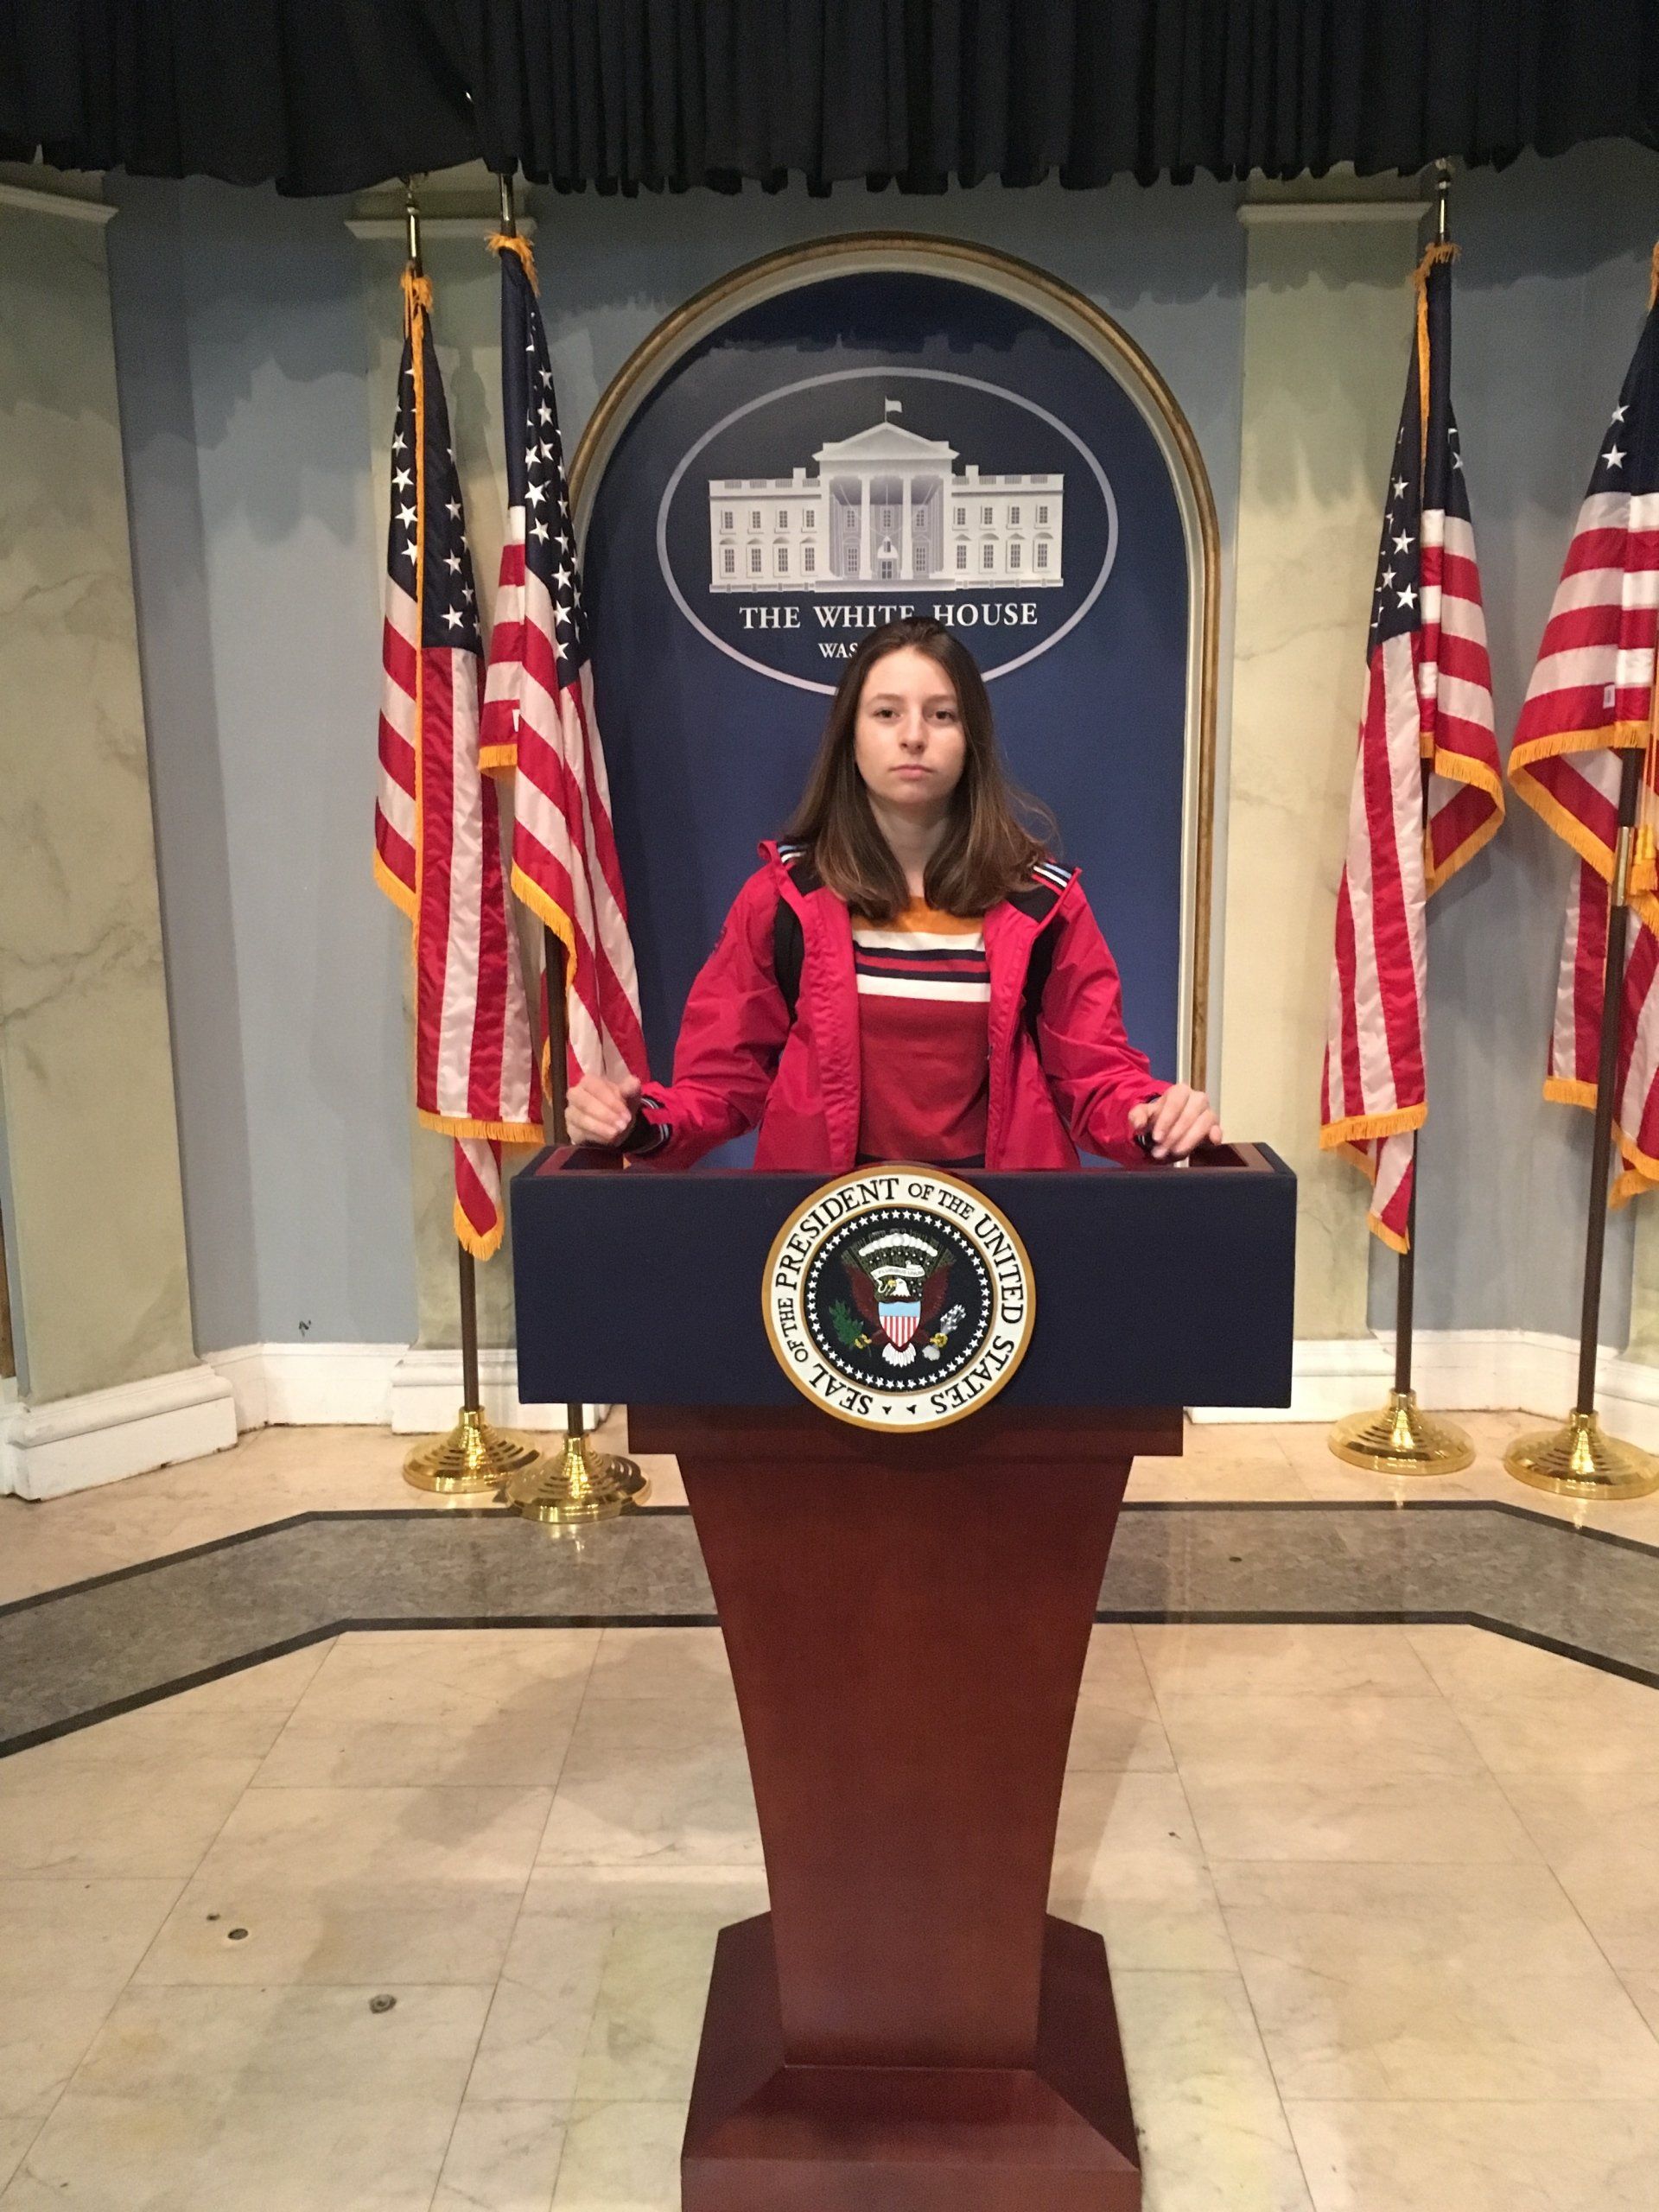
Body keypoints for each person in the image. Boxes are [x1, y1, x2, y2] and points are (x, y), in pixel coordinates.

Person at [566, 616, 1220, 1171]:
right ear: (851, 739)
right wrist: (642, 1122)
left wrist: (1153, 1119)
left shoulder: (1041, 902)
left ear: (972, 743)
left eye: (942, 715)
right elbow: (722, 1083)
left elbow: (1095, 1076)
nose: (914, 735)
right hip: (823, 1241)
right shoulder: (783, 899)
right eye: (886, 714)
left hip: (1003, 1240)